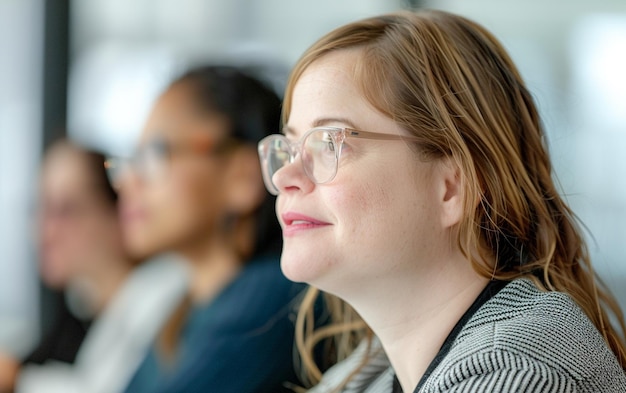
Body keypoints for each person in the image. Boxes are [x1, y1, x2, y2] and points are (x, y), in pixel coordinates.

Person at [257, 9, 626, 392]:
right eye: (291, 146)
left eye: (330, 142)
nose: (285, 177)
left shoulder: (522, 372)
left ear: (452, 187)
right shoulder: (373, 374)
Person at [109, 65, 304, 393]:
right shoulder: (184, 310)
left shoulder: (271, 301)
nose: (129, 180)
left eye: (156, 153)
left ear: (241, 175)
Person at [12, 140, 189, 393]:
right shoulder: (78, 312)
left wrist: (18, 380)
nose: (44, 232)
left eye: (66, 210)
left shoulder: (165, 302)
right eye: (40, 208)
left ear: (119, 211)